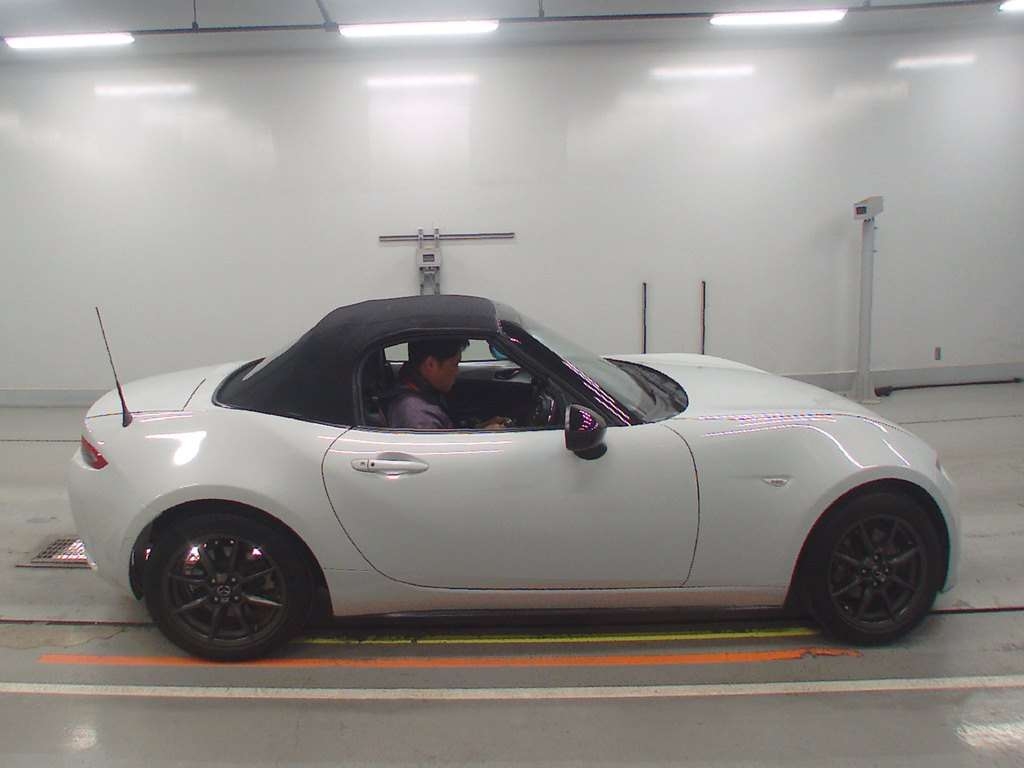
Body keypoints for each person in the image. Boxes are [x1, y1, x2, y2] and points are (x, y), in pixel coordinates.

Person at [386, 338, 510, 430]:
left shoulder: (420, 392)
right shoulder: (419, 416)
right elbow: (444, 455)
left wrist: (480, 429)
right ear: (431, 364)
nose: (457, 372)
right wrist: (484, 437)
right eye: (454, 364)